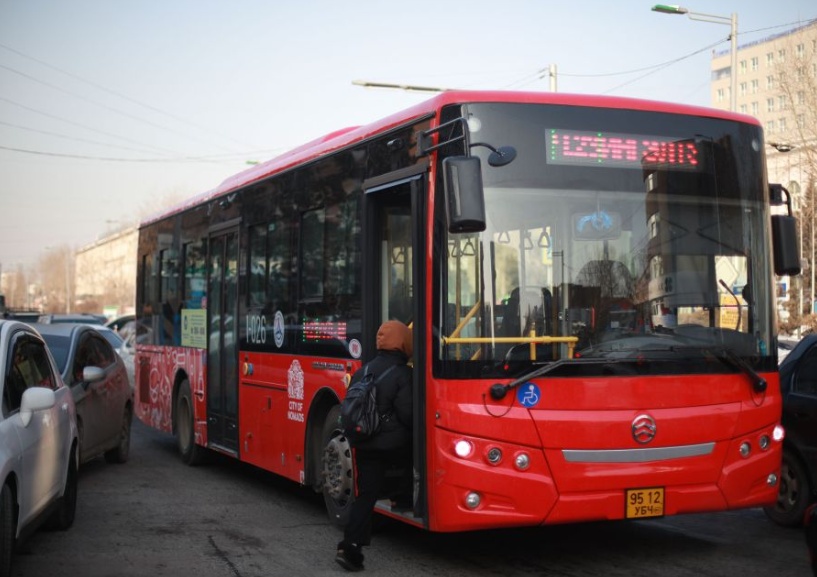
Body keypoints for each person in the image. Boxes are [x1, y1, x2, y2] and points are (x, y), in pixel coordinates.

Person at [335, 320, 413, 572]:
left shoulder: (364, 369)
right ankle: (403, 498)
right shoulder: (403, 373)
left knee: (366, 496)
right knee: (414, 447)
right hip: (390, 444)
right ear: (403, 342)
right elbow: (408, 415)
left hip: (363, 441)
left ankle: (350, 547)